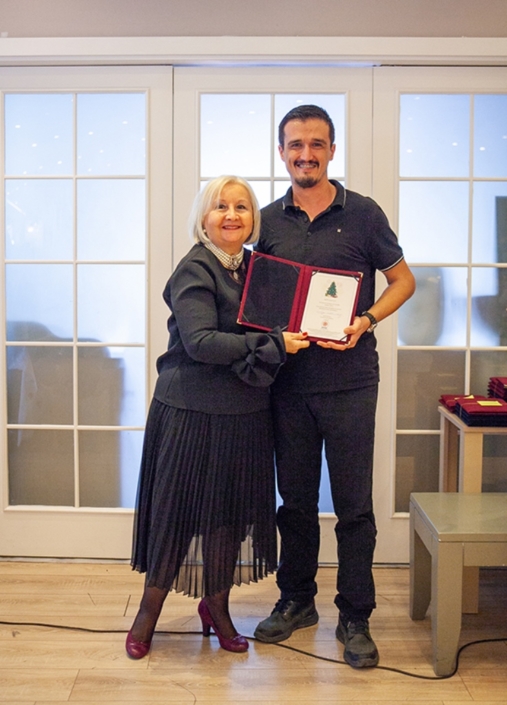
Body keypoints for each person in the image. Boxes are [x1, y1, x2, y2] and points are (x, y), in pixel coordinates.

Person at [253, 105, 416, 668]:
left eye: (316, 144)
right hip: (287, 386)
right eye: (296, 145)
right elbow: (256, 298)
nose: (306, 155)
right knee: (295, 503)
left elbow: (403, 281)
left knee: (353, 506)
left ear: (331, 150)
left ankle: (355, 615)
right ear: (281, 153)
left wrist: (366, 319)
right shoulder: (265, 222)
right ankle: (297, 600)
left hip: (350, 383)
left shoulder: (364, 214)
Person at [126, 175, 308, 659]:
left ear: (253, 219)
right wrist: (273, 343)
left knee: (229, 519)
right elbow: (201, 343)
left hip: (245, 414)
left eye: (242, 207)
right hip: (190, 413)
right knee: (175, 517)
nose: (231, 215)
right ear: (203, 218)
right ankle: (147, 614)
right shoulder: (195, 268)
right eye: (220, 206)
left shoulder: (256, 269)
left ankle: (217, 608)